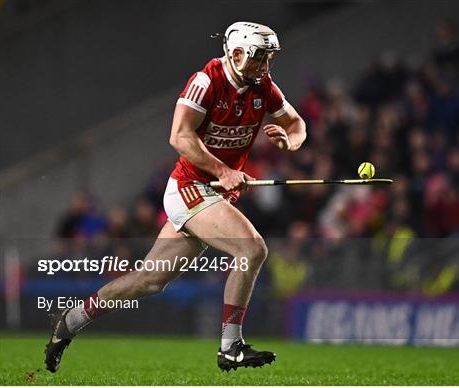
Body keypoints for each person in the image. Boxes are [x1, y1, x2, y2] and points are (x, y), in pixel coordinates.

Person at [45, 21, 306, 373]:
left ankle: (70, 322)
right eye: (259, 58)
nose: (264, 67)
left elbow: (296, 124)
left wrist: (289, 142)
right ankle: (231, 346)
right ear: (237, 53)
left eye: (268, 59)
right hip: (189, 189)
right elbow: (180, 137)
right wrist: (224, 171)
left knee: (148, 280)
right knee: (252, 248)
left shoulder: (264, 88)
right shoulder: (206, 82)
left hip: (211, 194)